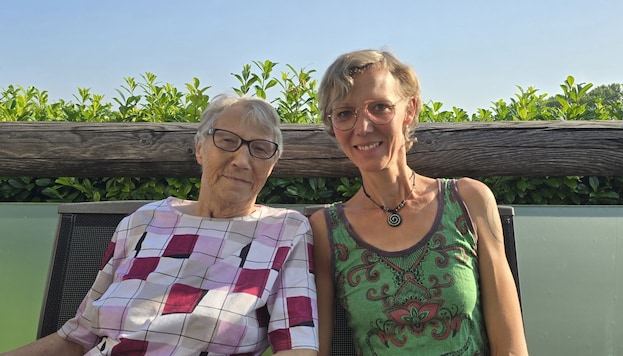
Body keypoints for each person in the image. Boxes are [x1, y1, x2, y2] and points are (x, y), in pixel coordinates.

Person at [3, 94, 318, 356]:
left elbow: (297, 345)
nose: (241, 159)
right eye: (227, 141)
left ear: (272, 165)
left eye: (260, 149)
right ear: (199, 149)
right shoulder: (141, 222)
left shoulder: (285, 231)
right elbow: (76, 337)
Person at [310, 49, 528, 355]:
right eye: (345, 113)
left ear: (409, 110)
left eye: (380, 107)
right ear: (333, 126)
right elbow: (316, 347)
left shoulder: (470, 201)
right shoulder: (324, 230)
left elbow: (511, 347)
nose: (363, 127)